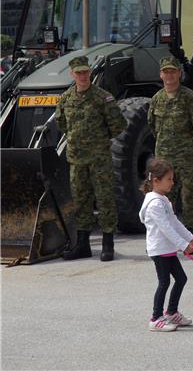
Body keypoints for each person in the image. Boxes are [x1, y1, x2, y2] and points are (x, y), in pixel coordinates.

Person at [55, 55, 127, 262]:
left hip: (99, 159)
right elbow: (62, 124)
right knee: (80, 201)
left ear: (90, 72)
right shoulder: (66, 98)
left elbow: (118, 125)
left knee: (104, 199)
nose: (83, 76)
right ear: (72, 74)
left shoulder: (102, 98)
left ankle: (107, 244)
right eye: (79, 73)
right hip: (77, 160)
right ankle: (83, 245)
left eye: (85, 72)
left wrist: (97, 140)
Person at [147, 56, 193, 237]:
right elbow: (152, 126)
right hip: (164, 159)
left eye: (173, 71)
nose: (169, 75)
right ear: (161, 75)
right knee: (166, 198)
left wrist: (188, 145)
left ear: (179, 73)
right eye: (166, 71)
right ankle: (169, 235)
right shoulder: (156, 99)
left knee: (189, 196)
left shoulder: (190, 98)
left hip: (187, 157)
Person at [139, 158, 193, 332]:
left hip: (168, 249)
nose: (172, 183)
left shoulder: (164, 200)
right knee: (164, 282)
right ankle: (155, 318)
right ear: (156, 181)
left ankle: (171, 312)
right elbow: (166, 228)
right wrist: (183, 245)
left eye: (172, 179)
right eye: (169, 179)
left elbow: (174, 222)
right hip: (159, 250)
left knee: (181, 279)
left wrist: (190, 238)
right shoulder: (154, 204)